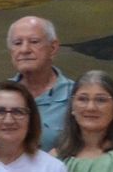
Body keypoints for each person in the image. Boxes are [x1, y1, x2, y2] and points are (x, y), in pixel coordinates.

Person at [7, 15, 75, 151]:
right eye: (17, 43)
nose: (25, 49)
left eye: (34, 41)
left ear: (53, 48)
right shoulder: (1, 94)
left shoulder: (76, 95)